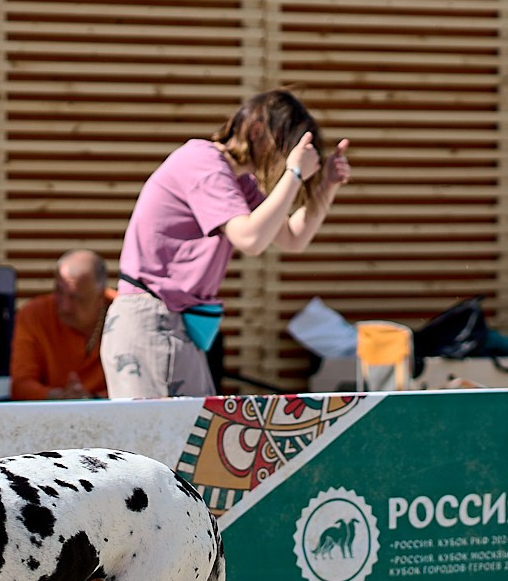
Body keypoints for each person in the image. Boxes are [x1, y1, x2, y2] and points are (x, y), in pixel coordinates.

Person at [101, 91, 351, 398]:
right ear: (257, 131)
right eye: (283, 148)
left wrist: (326, 187)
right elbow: (250, 239)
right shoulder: (202, 162)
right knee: (158, 443)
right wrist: (295, 173)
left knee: (189, 440)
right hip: (152, 319)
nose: (282, 160)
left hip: (173, 323)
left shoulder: (236, 180)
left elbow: (292, 238)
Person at [10, 249, 114, 400]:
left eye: (76, 298)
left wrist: (93, 399)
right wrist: (58, 397)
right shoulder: (34, 314)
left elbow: (137, 386)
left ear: (100, 297)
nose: (65, 307)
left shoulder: (123, 313)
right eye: (59, 292)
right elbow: (21, 385)